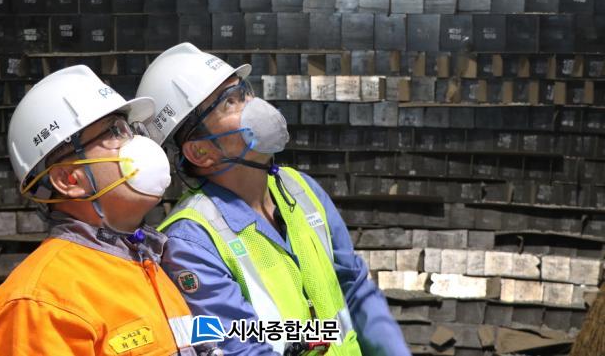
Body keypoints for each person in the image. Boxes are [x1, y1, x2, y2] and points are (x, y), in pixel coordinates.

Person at [136, 43, 410, 356]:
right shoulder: (191, 243)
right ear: (200, 151)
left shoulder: (300, 188)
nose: (253, 106)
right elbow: (239, 347)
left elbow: (355, 288)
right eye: (229, 102)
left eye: (245, 92)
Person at [0, 65, 205, 356]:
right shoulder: (38, 305)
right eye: (114, 132)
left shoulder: (146, 263)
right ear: (69, 179)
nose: (138, 143)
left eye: (129, 129)